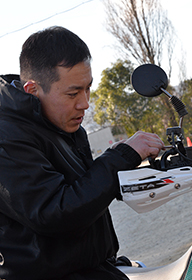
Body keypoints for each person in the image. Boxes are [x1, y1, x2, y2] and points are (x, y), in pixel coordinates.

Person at [0, 26, 164, 279]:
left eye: (88, 88)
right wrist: (119, 159)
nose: (84, 103)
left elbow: (82, 189)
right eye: (73, 93)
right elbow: (54, 212)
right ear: (32, 90)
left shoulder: (57, 121)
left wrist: (127, 163)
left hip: (95, 268)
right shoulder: (7, 134)